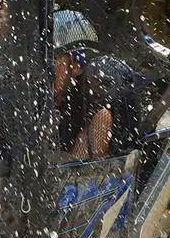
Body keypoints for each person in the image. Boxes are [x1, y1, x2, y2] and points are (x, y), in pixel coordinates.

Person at [53, 9, 140, 159]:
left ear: (76, 65)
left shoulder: (98, 114)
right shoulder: (42, 101)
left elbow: (74, 170)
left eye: (54, 59)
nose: (43, 70)